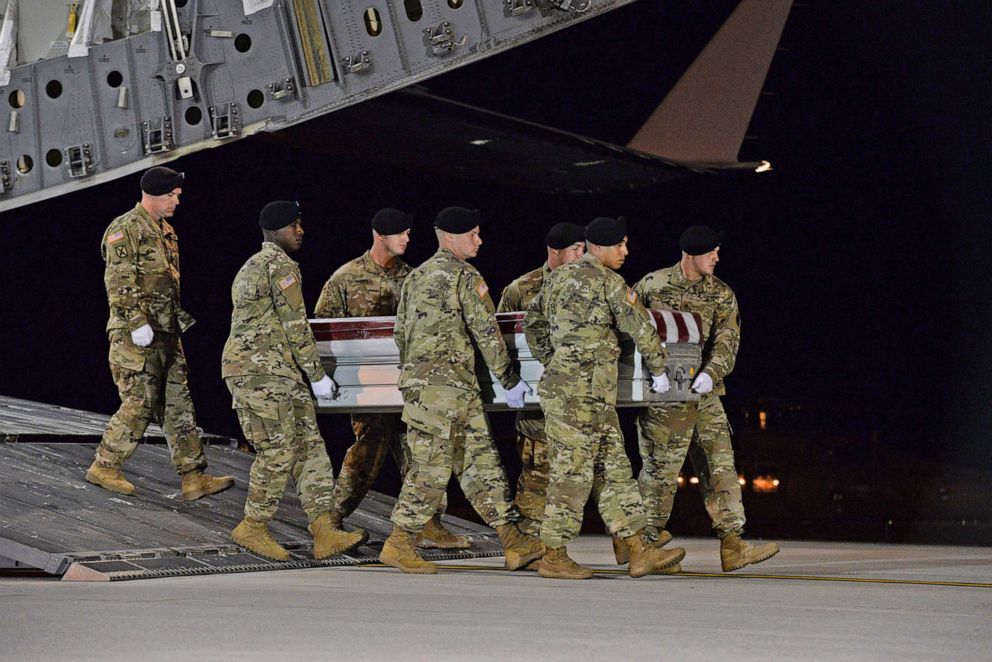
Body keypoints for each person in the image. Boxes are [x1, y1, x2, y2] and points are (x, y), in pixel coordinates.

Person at [379, 206, 543, 574]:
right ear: (451, 237)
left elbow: (400, 333)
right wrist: (510, 381)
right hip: (446, 389)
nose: (479, 240)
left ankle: (512, 541)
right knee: (431, 467)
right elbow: (487, 333)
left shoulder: (416, 277)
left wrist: (415, 376)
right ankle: (400, 541)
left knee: (480, 463)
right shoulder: (465, 276)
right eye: (473, 234)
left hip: (440, 389)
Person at [524, 216, 685, 580]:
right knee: (573, 473)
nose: (625, 252)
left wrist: (552, 357)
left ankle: (637, 549)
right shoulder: (610, 283)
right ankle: (553, 553)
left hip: (587, 393)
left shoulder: (557, 278)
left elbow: (531, 322)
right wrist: (659, 370)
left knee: (616, 471)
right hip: (577, 396)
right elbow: (640, 327)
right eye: (620, 245)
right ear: (599, 247)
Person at [314, 208, 467, 550]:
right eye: (400, 233)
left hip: (409, 381)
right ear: (380, 235)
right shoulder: (346, 278)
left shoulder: (413, 278)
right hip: (368, 386)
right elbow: (323, 330)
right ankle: (332, 520)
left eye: (409, 232)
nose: (406, 238)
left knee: (422, 454)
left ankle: (428, 523)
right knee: (367, 452)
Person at [222, 200, 366, 561]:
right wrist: (317, 376)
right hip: (261, 372)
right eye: (293, 225)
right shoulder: (280, 266)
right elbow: (295, 325)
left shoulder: (250, 266)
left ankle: (323, 530)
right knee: (278, 449)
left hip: (277, 370)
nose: (300, 231)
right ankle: (252, 526)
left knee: (310, 448)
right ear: (275, 231)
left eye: (300, 224)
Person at [634, 225, 779, 572]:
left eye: (717, 251)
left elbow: (728, 341)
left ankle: (733, 543)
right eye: (710, 252)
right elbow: (629, 328)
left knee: (720, 464)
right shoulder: (652, 286)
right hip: (664, 395)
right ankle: (646, 546)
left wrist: (710, 374)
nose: (717, 257)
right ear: (690, 254)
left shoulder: (722, 294)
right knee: (660, 470)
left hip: (705, 393)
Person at [86, 166, 233, 501]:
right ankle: (105, 466)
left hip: (167, 331)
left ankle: (193, 476)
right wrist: (136, 323)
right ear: (154, 194)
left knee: (179, 402)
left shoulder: (166, 231)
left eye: (177, 195)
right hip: (135, 334)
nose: (177, 200)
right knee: (140, 400)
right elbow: (120, 281)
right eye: (172, 195)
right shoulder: (126, 229)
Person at [496, 222, 586, 537]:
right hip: (537, 407)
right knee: (537, 478)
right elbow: (500, 342)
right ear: (554, 251)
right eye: (575, 249)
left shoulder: (588, 285)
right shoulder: (521, 289)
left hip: (580, 402)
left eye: (583, 248)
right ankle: (527, 545)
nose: (581, 255)